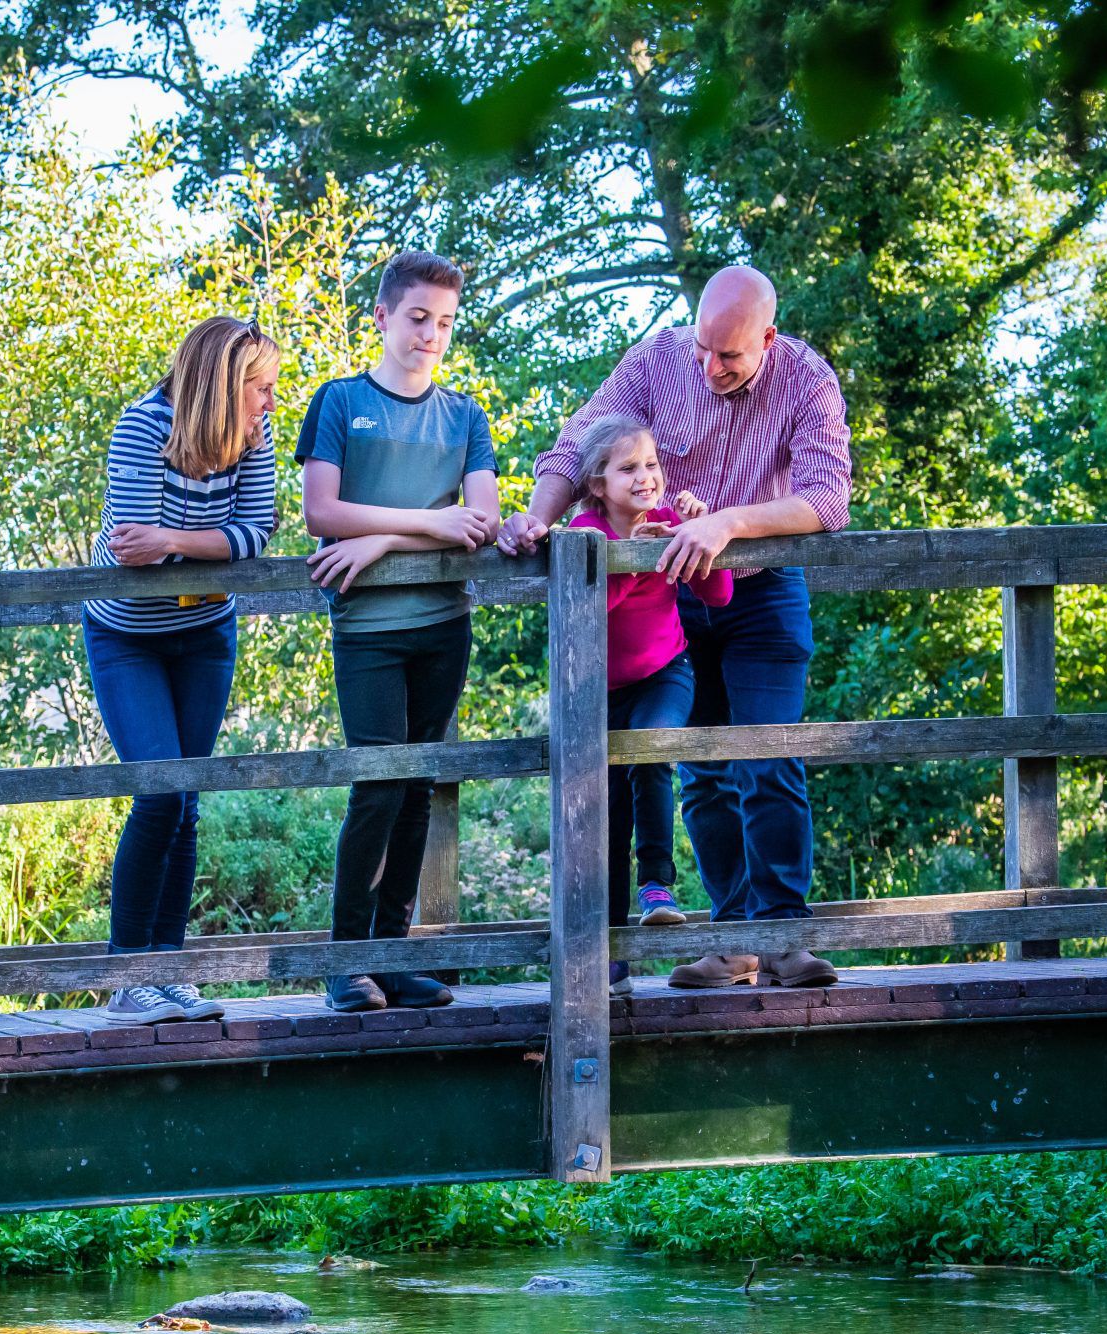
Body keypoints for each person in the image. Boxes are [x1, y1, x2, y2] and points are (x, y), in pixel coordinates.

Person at [499, 265, 851, 989]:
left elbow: (826, 499)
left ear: (768, 340)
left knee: (769, 758)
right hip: (672, 594)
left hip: (761, 590)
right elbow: (578, 446)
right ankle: (732, 943)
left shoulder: (808, 380)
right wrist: (539, 515)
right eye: (704, 349)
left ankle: (783, 934)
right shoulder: (657, 360)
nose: (710, 366)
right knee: (701, 770)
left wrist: (729, 522)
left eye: (730, 356)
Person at [298, 250, 500, 1013]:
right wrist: (427, 522)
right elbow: (323, 514)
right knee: (378, 787)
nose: (431, 335)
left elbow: (475, 525)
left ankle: (394, 954)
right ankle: (347, 962)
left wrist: (382, 539)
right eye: (418, 318)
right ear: (382, 318)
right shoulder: (339, 401)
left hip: (443, 625)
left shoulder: (465, 416)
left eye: (445, 323)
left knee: (418, 788)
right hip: (368, 629)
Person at [86, 316, 282, 1024]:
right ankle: (127, 978)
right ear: (223, 383)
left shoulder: (252, 439)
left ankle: (169, 971)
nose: (269, 403)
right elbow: (129, 546)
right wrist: (200, 545)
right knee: (160, 791)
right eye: (260, 388)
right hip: (127, 637)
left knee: (189, 795)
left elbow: (256, 532)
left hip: (205, 633)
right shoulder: (142, 427)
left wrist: (173, 538)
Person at [561, 413, 733, 996]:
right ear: (597, 483)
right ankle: (611, 957)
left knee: (653, 752)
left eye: (652, 465)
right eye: (628, 468)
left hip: (666, 673)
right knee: (607, 807)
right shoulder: (587, 531)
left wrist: (697, 532)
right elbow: (595, 608)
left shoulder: (667, 522)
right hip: (601, 689)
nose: (645, 477)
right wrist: (632, 560)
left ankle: (657, 885)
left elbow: (718, 593)